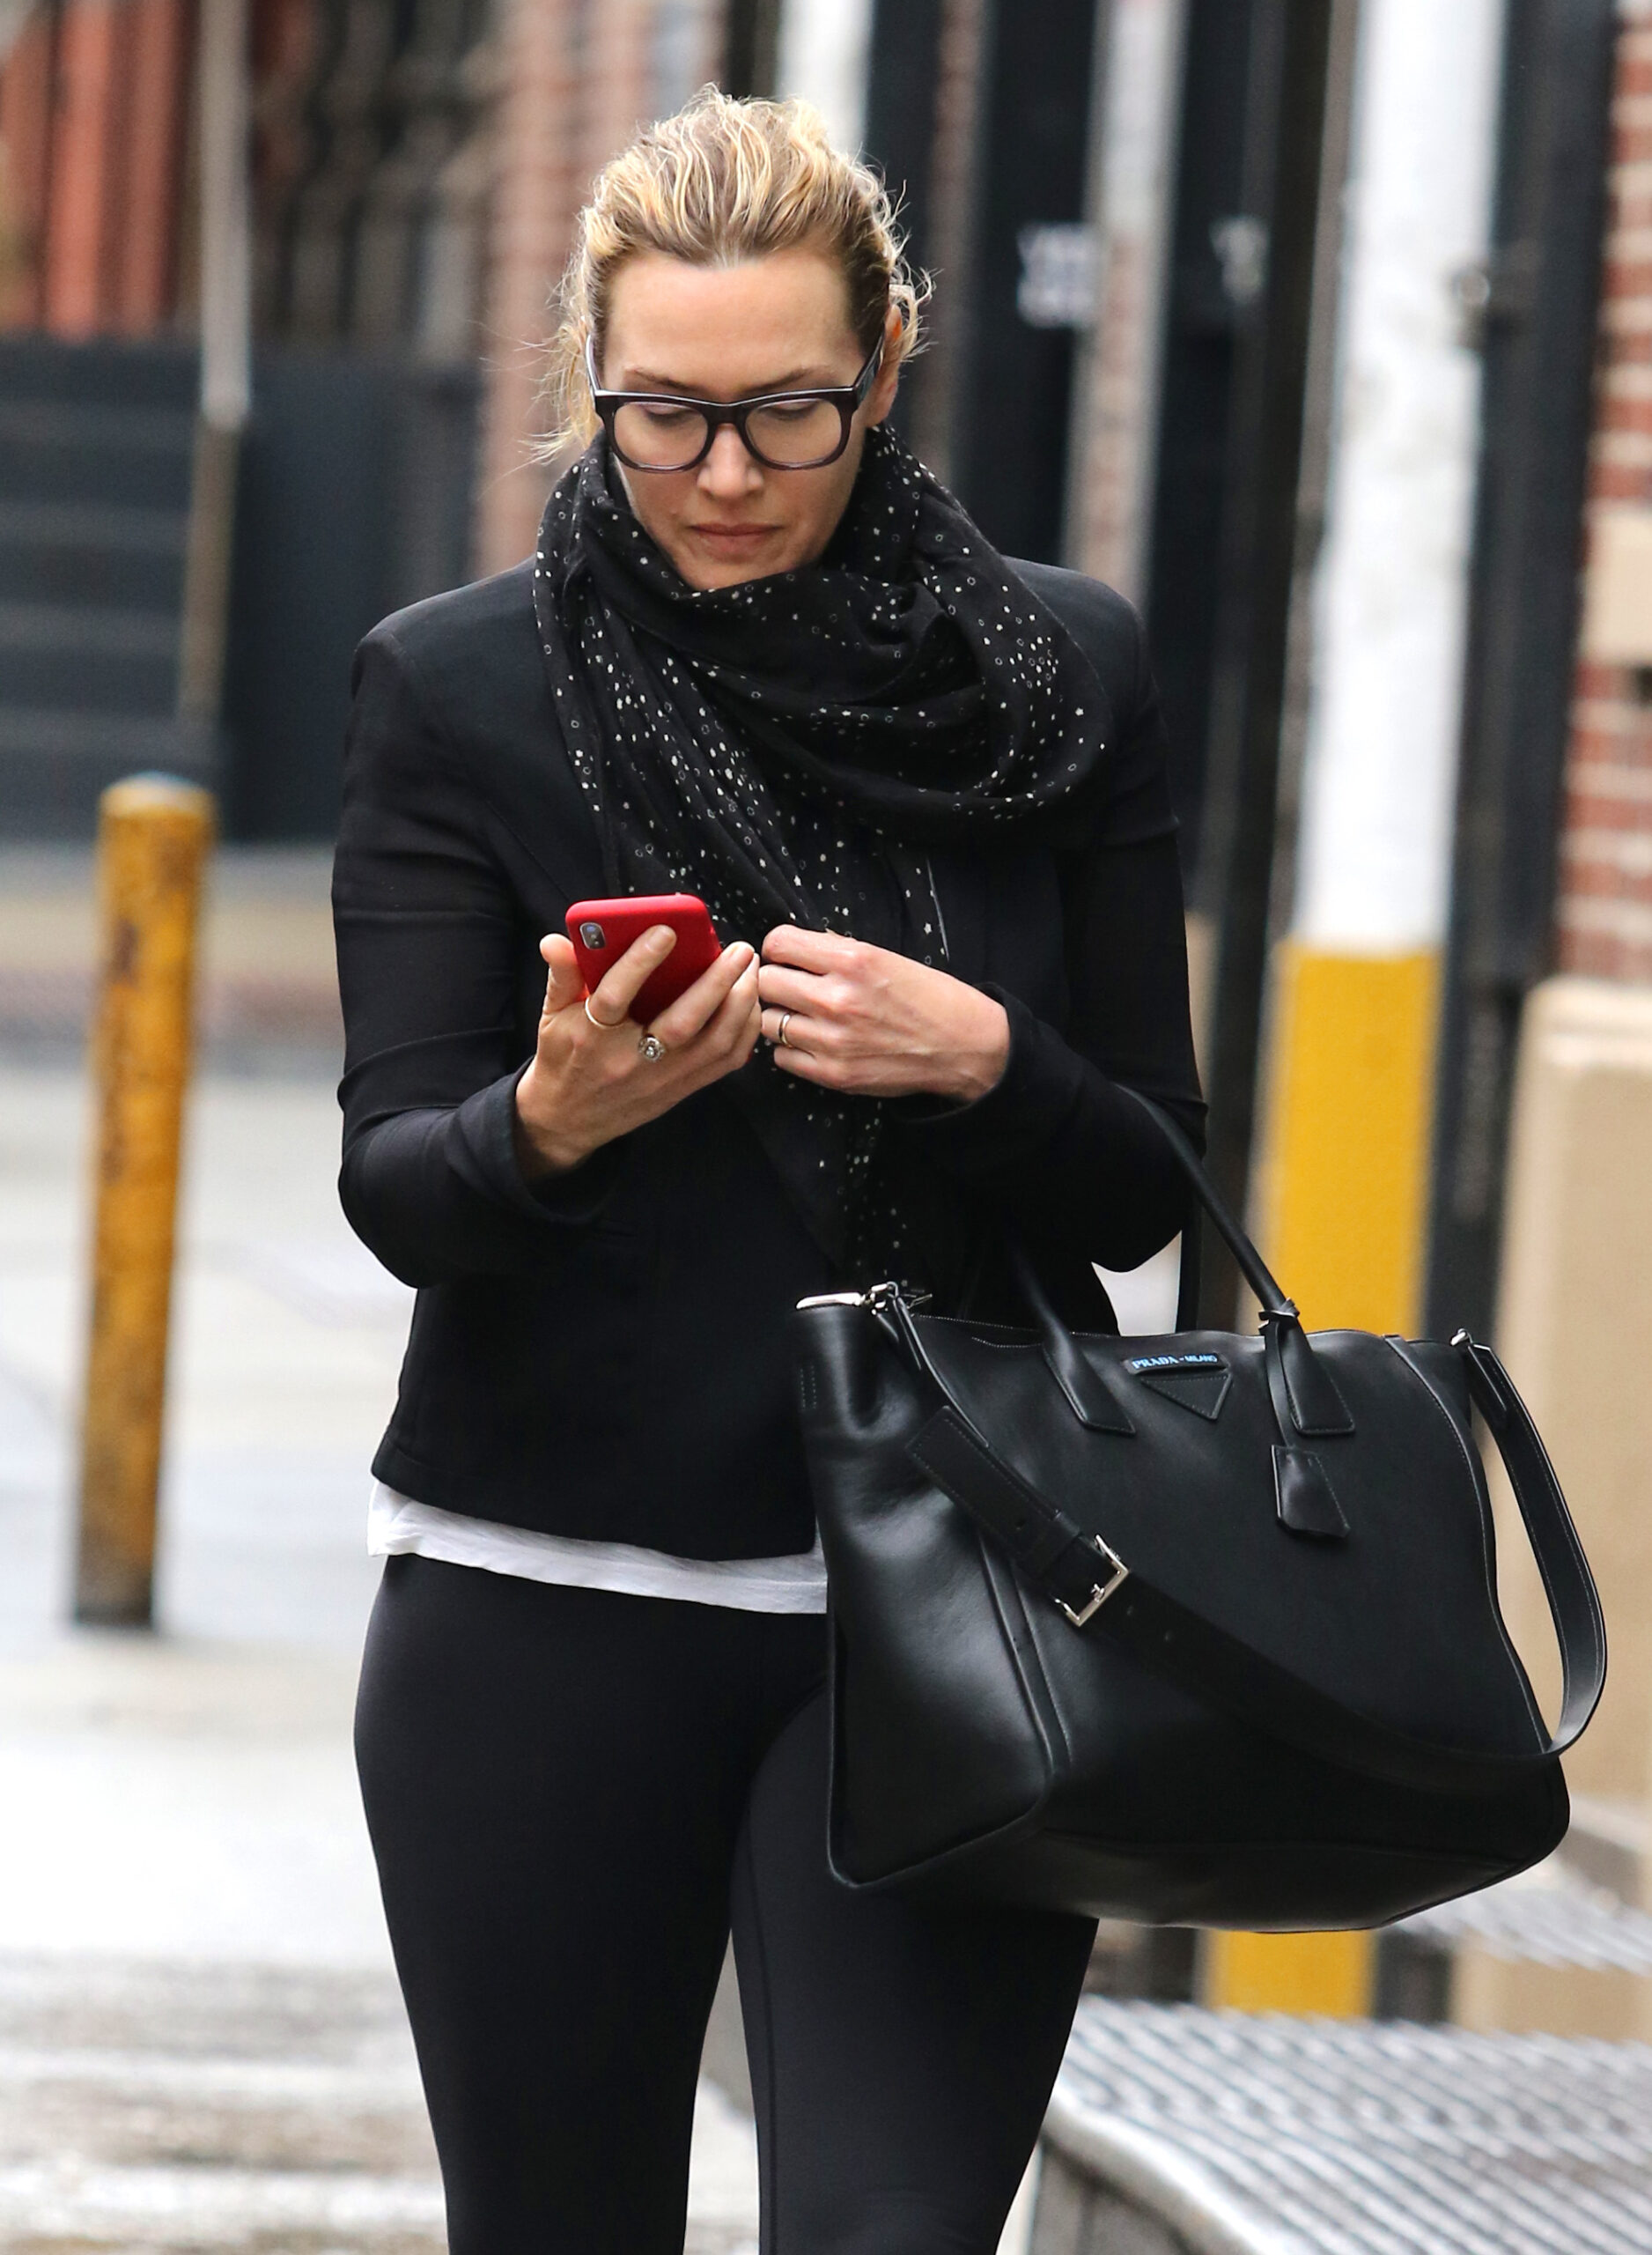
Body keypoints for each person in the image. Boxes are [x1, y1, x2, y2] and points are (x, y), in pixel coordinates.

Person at [338, 85, 1204, 2255]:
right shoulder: (457, 689)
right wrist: (551, 1122)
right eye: (663, 416)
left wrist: (986, 1057)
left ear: (882, 370)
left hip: (965, 1605)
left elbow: (1144, 1191)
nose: (723, 477)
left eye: (787, 415)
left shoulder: (1059, 671)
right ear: (587, 384)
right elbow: (399, 1180)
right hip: (548, 1600)